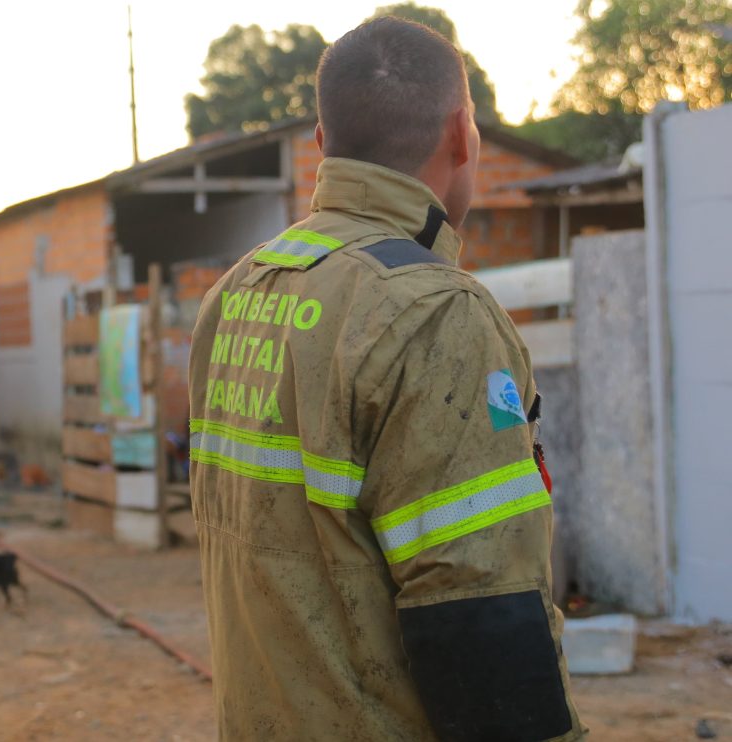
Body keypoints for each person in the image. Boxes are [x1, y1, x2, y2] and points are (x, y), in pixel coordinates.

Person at [187, 17, 583, 741]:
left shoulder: (237, 293)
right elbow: (480, 611)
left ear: (320, 143)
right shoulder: (435, 313)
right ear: (463, 135)